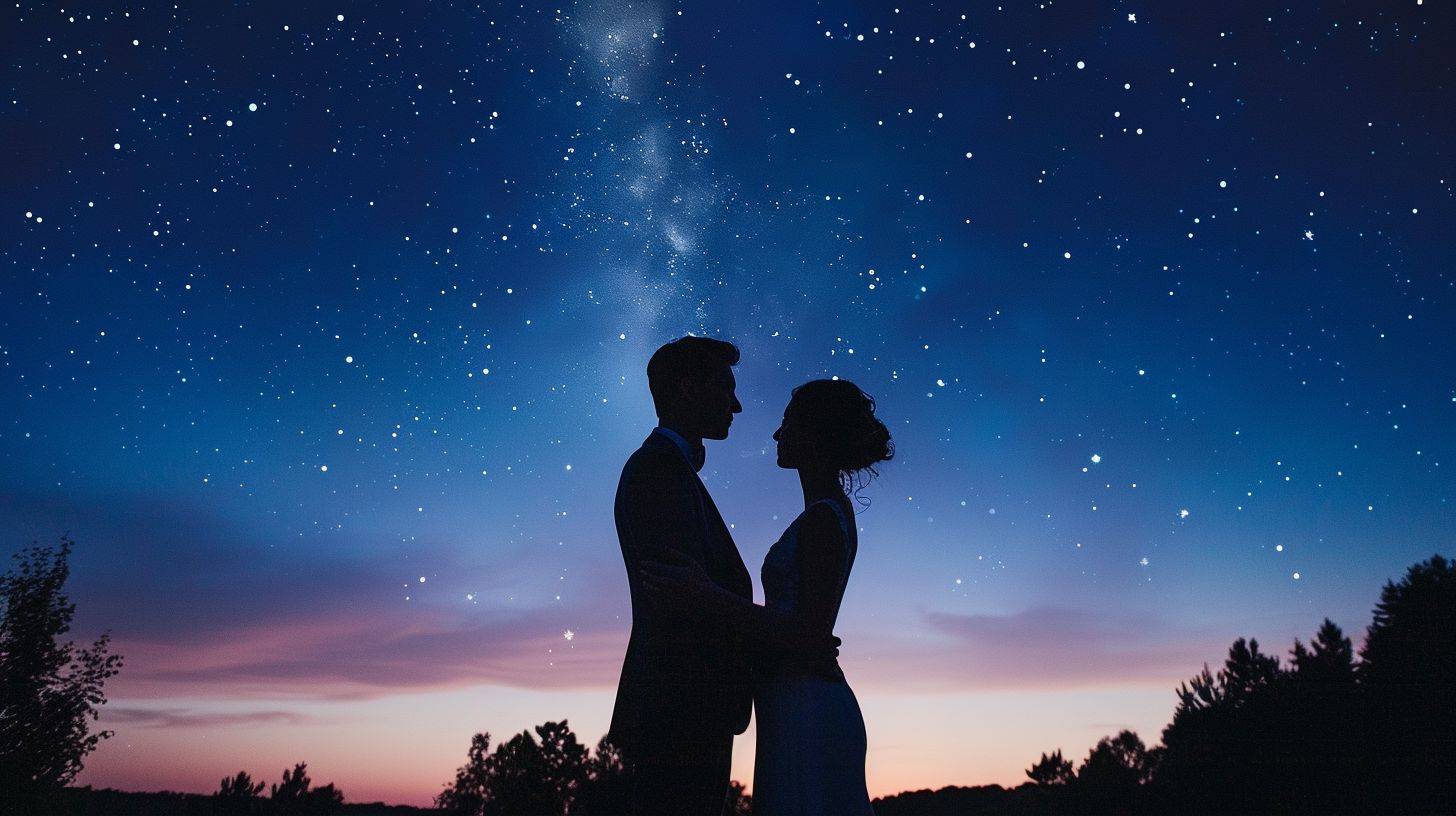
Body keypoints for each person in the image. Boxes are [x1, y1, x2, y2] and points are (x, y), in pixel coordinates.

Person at [610, 338, 838, 816]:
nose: (736, 404)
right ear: (687, 388)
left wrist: (792, 636)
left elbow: (701, 596)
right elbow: (682, 601)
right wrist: (791, 637)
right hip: (679, 712)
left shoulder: (671, 471)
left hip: (691, 712)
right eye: (726, 387)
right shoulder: (657, 471)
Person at [643, 378, 892, 815]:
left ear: (815, 434)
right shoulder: (824, 512)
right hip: (788, 699)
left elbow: (808, 633)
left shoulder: (822, 520)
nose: (777, 435)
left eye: (788, 425)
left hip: (805, 705)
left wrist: (704, 596)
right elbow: (804, 632)